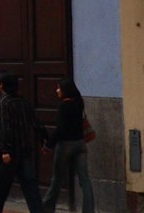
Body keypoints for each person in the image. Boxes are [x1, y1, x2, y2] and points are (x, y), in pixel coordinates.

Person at [0, 71, 45, 213]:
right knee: (29, 183)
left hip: (11, 151)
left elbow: (5, 128)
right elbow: (35, 122)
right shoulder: (24, 102)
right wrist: (43, 138)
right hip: (24, 149)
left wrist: (5, 150)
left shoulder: (3, 103)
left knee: (0, 183)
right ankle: (37, 210)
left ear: (2, 86)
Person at [42, 78, 95, 213]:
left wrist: (48, 145)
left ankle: (47, 207)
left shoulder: (64, 106)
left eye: (59, 88)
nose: (57, 90)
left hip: (66, 145)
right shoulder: (79, 103)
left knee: (57, 179)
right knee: (85, 180)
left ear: (65, 90)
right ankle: (88, 210)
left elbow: (59, 129)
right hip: (80, 144)